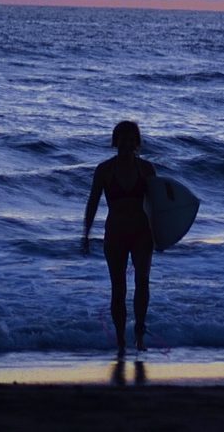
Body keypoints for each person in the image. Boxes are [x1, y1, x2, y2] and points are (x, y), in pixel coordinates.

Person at [83, 120, 157, 355]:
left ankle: (139, 337)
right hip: (114, 235)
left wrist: (163, 234)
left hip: (142, 233)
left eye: (131, 139)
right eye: (122, 139)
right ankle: (120, 340)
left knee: (142, 283)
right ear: (115, 142)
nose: (126, 143)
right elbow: (93, 202)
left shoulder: (146, 169)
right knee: (118, 288)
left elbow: (158, 205)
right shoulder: (104, 170)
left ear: (137, 142)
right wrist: (86, 234)